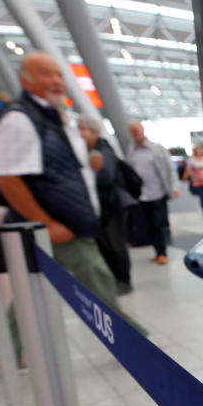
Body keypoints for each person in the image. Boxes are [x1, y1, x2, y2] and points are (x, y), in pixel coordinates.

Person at [0, 51, 145, 375]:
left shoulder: (55, 117)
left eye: (58, 74)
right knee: (98, 281)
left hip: (66, 223)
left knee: (29, 292)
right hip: (59, 226)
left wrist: (89, 163)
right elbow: (8, 178)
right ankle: (134, 342)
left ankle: (2, 356)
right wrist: (47, 223)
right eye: (45, 74)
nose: (55, 80)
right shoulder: (19, 118)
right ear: (25, 79)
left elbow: (57, 169)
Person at [77, 115, 137, 295]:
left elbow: (106, 177)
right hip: (98, 208)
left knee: (115, 244)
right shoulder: (85, 152)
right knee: (104, 245)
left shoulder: (103, 151)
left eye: (83, 129)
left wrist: (87, 175)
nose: (79, 133)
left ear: (94, 131)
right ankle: (113, 279)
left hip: (111, 207)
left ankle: (124, 280)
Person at [127, 120, 179, 265]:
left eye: (136, 129)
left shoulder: (156, 149)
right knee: (148, 225)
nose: (134, 132)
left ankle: (162, 252)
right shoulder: (132, 150)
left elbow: (170, 168)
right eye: (131, 130)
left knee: (159, 224)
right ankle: (157, 251)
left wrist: (174, 187)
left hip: (158, 193)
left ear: (142, 129)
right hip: (141, 196)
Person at [182, 143, 203, 223]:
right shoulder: (192, 159)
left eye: (200, 149)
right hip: (197, 183)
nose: (199, 151)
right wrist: (184, 178)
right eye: (197, 149)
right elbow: (188, 169)